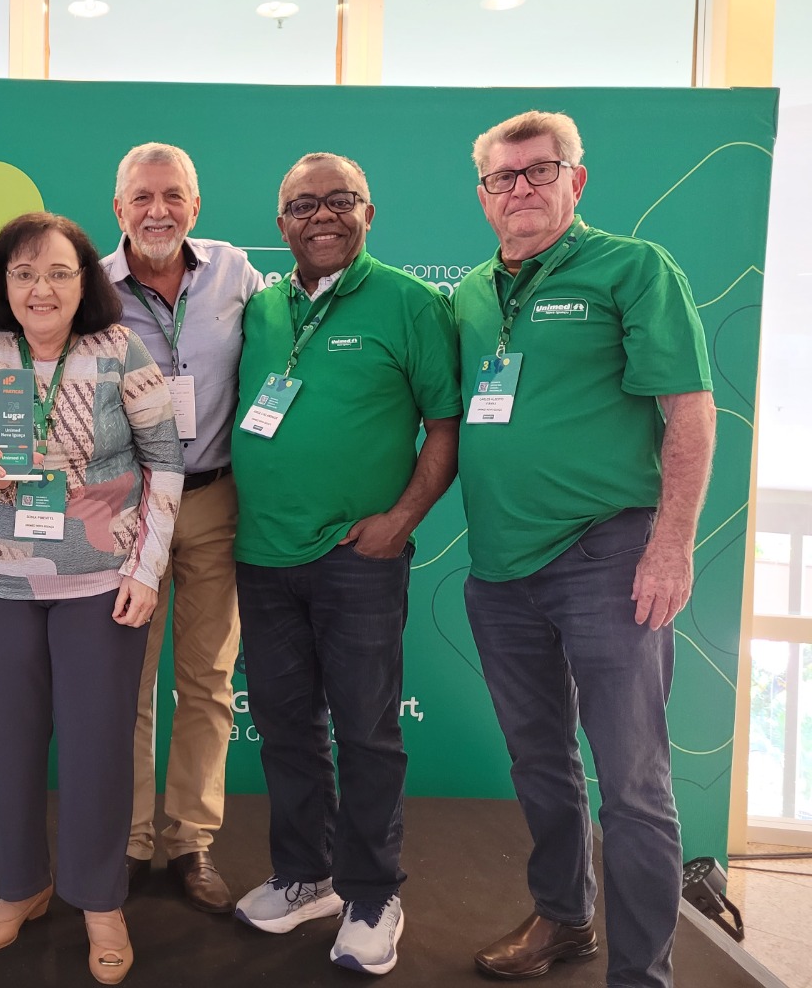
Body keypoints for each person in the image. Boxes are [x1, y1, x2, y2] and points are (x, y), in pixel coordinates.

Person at [453, 111, 715, 988]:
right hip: (500, 571)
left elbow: (690, 410)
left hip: (608, 559)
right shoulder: (472, 295)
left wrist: (671, 545)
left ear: (577, 179)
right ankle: (565, 918)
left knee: (633, 785)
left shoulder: (633, 268)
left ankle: (642, 975)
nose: (522, 188)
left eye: (541, 169)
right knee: (540, 762)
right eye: (504, 177)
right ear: (483, 196)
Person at [0, 212, 183, 985]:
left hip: (100, 585)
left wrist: (147, 571)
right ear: (1, 282)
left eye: (59, 273)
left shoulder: (119, 350)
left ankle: (99, 901)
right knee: (9, 743)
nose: (41, 288)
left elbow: (164, 461)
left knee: (98, 746)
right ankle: (22, 887)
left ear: (85, 282)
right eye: (24, 273)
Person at [231, 153, 461, 976]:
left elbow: (445, 425)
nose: (321, 216)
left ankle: (372, 893)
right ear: (281, 222)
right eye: (303, 205)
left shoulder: (410, 302)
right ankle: (305, 876)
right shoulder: (263, 307)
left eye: (340, 201)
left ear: (370, 212)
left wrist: (400, 522)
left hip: (357, 561)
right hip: (261, 557)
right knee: (286, 729)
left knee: (366, 732)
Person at [100, 142, 263, 913]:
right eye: (142, 197)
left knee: (208, 680)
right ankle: (131, 842)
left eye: (173, 196)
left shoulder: (237, 274)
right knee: (126, 682)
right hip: (128, 509)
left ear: (195, 206)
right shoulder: (89, 286)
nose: (158, 210)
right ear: (119, 209)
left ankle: (190, 841)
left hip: (216, 499)